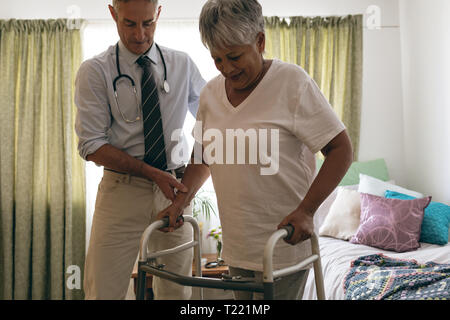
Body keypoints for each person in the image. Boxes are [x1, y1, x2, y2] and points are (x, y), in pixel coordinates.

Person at [157, 0, 353, 300]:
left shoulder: (292, 82)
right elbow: (202, 157)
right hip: (239, 247)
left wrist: (306, 211)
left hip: (284, 244)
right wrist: (180, 203)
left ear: (259, 41)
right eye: (217, 59)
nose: (227, 69)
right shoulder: (210, 94)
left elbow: (341, 149)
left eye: (234, 57)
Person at [74, 0, 206, 300]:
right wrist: (150, 173)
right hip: (122, 191)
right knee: (103, 291)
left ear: (158, 13)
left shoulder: (182, 64)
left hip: (174, 191)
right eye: (129, 23)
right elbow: (91, 145)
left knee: (177, 293)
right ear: (113, 14)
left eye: (148, 23)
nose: (139, 35)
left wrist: (185, 195)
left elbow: (214, 126)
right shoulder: (95, 71)